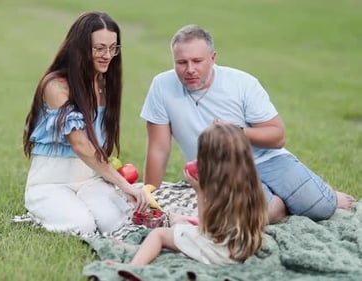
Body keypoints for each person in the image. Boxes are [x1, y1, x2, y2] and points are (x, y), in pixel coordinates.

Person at [140, 24, 355, 224]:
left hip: (267, 159)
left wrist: (237, 133)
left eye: (197, 61)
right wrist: (151, 197)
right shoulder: (162, 86)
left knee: (323, 209)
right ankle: (280, 201)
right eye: (181, 62)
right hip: (221, 170)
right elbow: (159, 149)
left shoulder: (242, 83)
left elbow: (278, 137)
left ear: (213, 58)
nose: (190, 69)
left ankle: (321, 192)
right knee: (261, 214)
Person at [22, 11, 148, 234]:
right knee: (84, 226)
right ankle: (40, 209)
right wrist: (123, 184)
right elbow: (80, 145)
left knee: (115, 222)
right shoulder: (56, 87)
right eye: (99, 48)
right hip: (50, 183)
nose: (107, 55)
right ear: (79, 48)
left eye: (113, 48)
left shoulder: (105, 85)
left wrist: (116, 182)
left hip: (89, 180)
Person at [114, 123, 268, 266]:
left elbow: (206, 227)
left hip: (220, 252)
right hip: (244, 248)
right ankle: (146, 249)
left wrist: (199, 191)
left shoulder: (219, 193)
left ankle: (133, 266)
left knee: (159, 234)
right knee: (180, 223)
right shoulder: (250, 184)